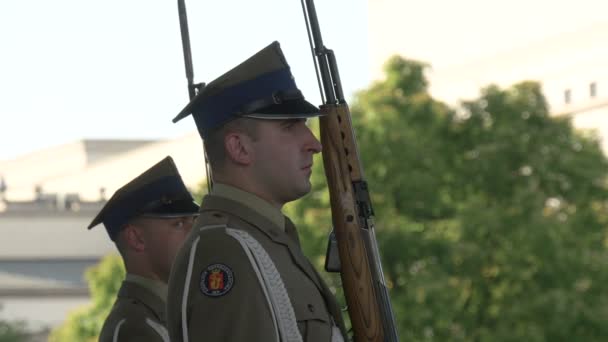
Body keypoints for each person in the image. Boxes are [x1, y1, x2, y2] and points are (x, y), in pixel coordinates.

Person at [166, 41, 348, 342]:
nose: (313, 143)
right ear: (239, 148)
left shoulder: (266, 241)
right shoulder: (225, 249)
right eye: (290, 126)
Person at [88, 156, 199, 342]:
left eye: (194, 221)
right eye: (179, 224)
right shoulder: (134, 328)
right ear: (136, 238)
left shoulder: (169, 312)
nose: (193, 232)